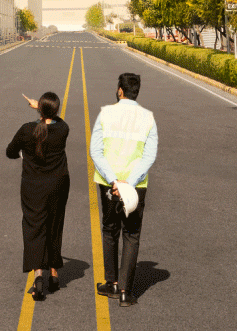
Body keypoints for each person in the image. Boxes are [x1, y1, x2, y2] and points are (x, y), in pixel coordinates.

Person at [89, 71, 157, 307]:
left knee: (110, 230)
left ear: (120, 90)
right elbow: (149, 156)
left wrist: (114, 181)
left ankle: (112, 283)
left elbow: (96, 151)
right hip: (136, 186)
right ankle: (126, 292)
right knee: (131, 234)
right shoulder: (148, 118)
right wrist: (130, 182)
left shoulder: (106, 113)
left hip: (109, 184)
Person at [6, 90, 71, 300]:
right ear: (56, 110)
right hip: (58, 185)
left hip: (33, 187)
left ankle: (38, 276)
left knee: (34, 228)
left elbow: (10, 151)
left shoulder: (27, 130)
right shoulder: (62, 129)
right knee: (54, 225)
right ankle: (54, 272)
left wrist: (23, 153)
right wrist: (43, 109)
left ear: (40, 109)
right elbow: (58, 121)